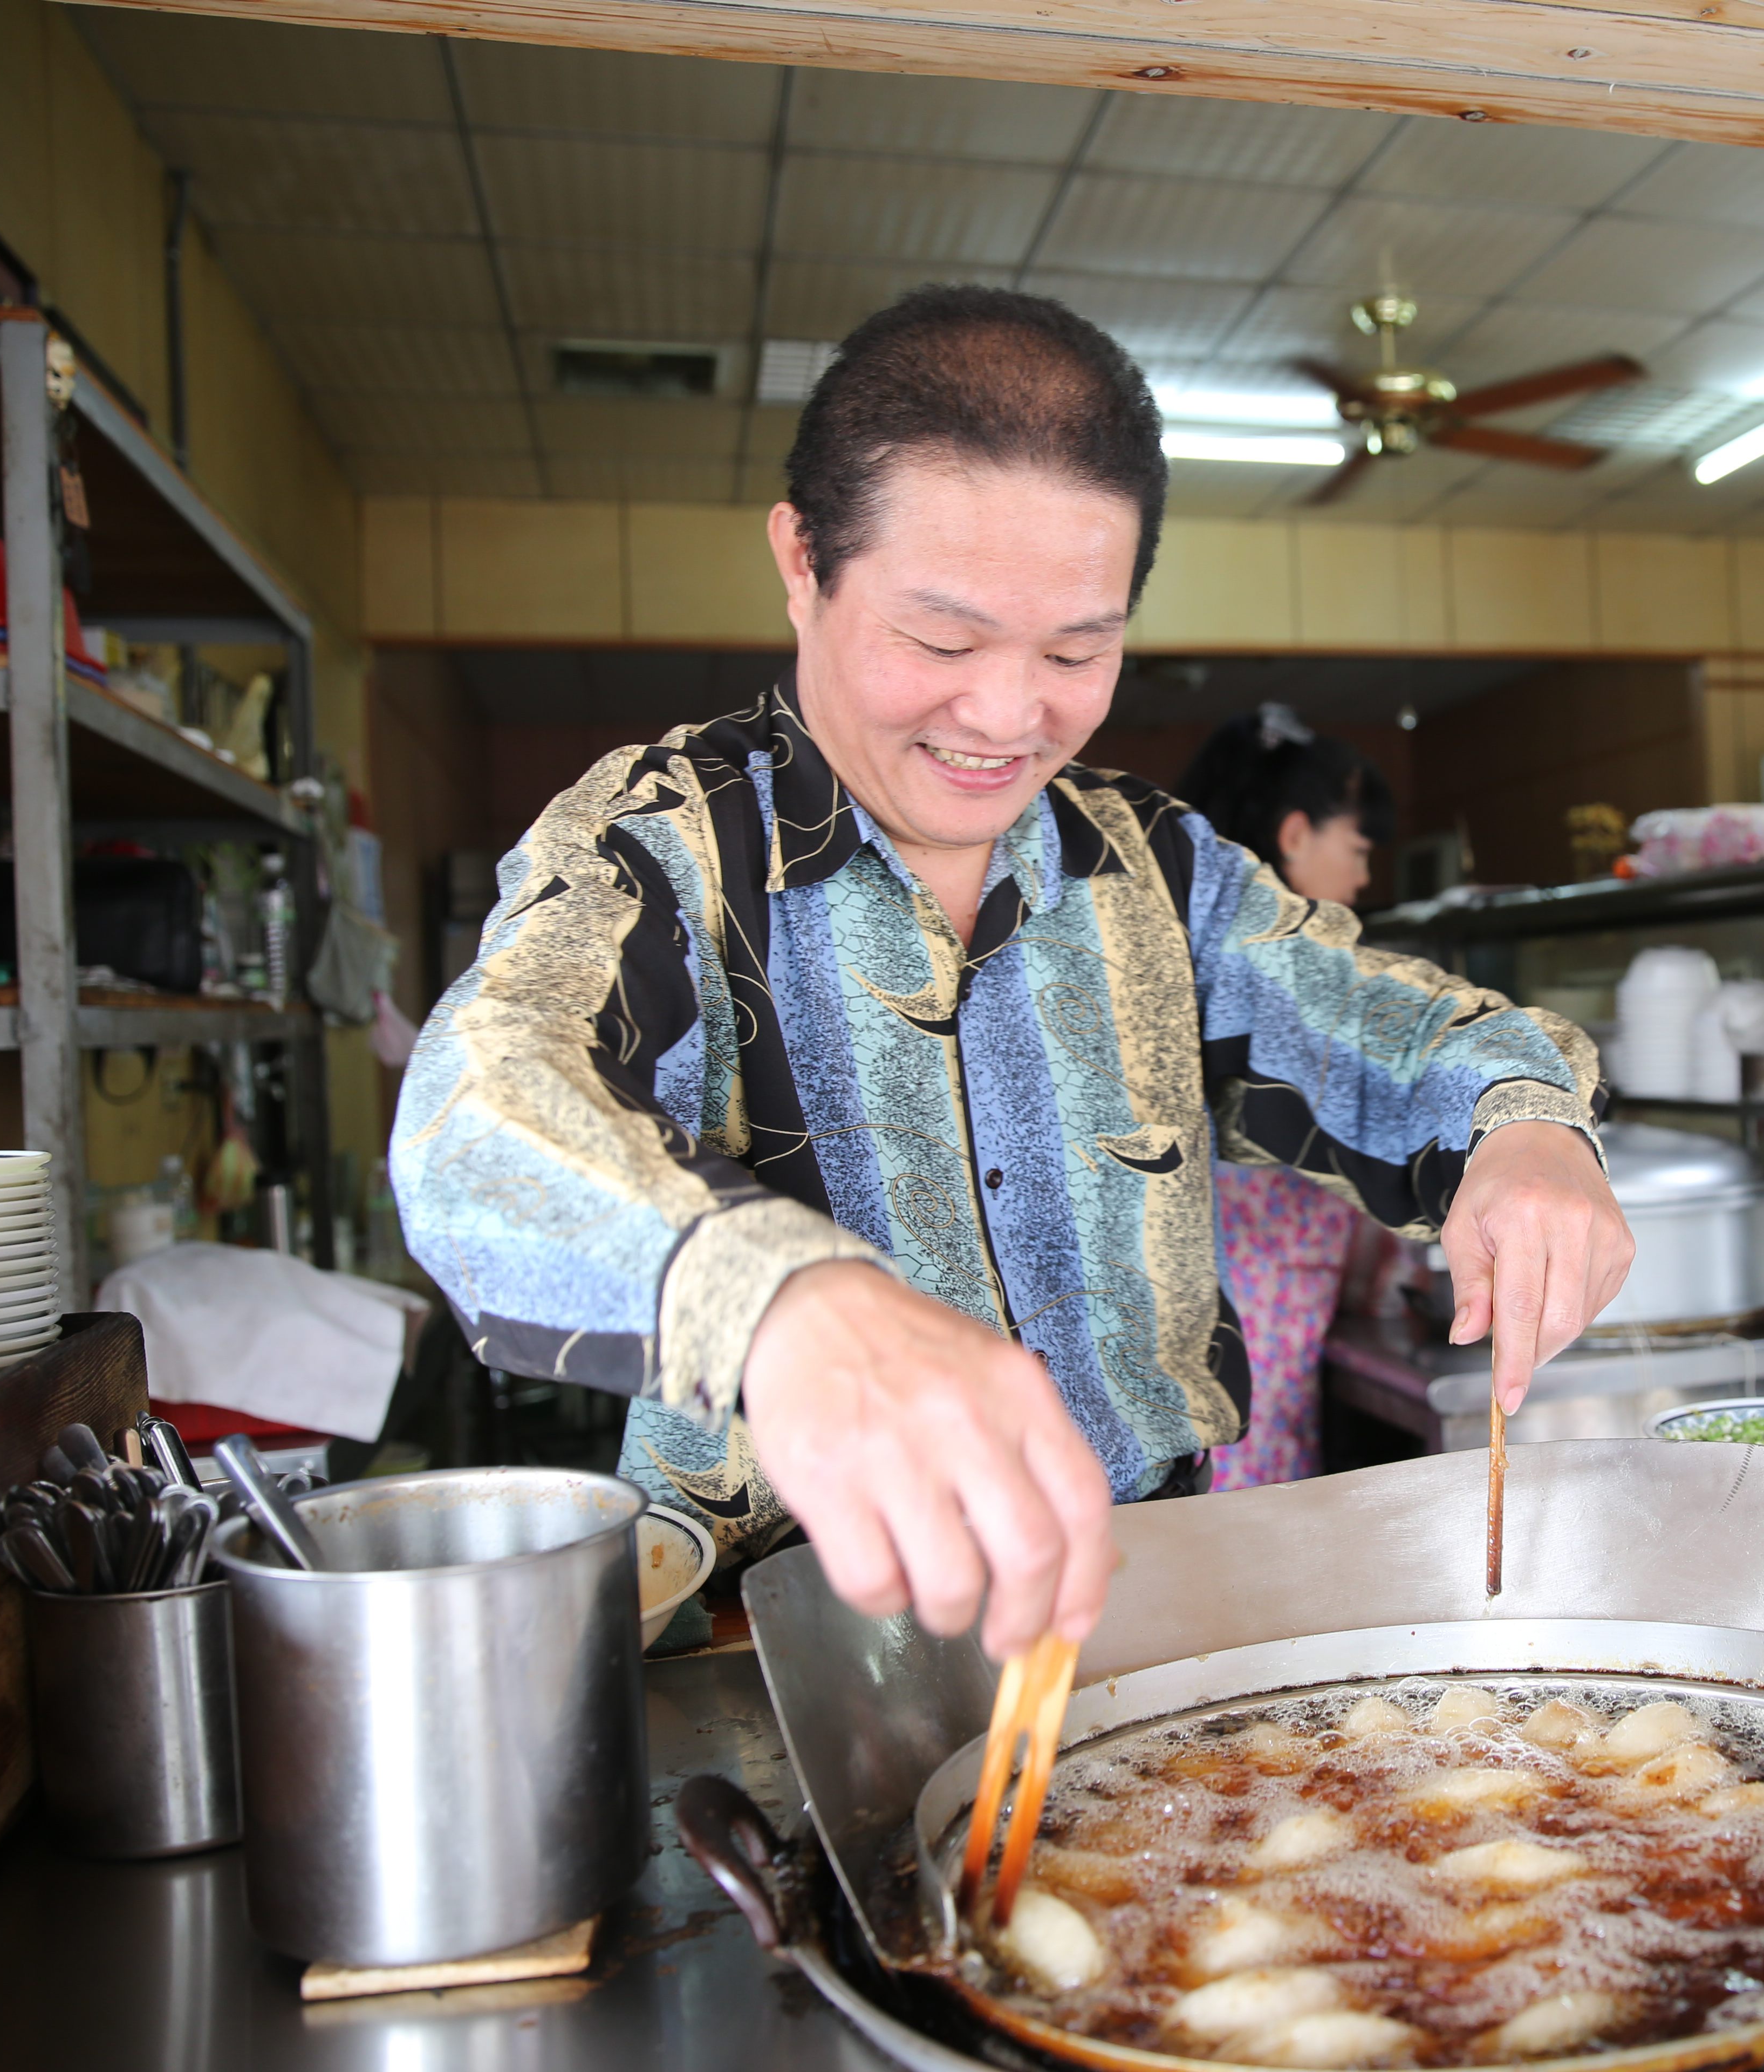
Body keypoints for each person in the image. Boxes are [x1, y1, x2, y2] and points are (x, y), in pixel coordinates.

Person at [389, 286, 1632, 1661]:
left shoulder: (1149, 865)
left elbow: (1369, 1023)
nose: (1002, 716)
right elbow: (478, 1108)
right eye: (940, 640)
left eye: (1074, 650)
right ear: (801, 562)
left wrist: (1521, 1121)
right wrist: (778, 1298)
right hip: (779, 1647)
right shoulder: (666, 846)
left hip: (1141, 1602)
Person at [1171, 704, 1397, 1487]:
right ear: (1296, 834)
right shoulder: (1280, 958)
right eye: (1358, 848)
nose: (1364, 878)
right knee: (1250, 1490)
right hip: (1257, 1285)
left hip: (1211, 1280)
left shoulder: (1184, 935)